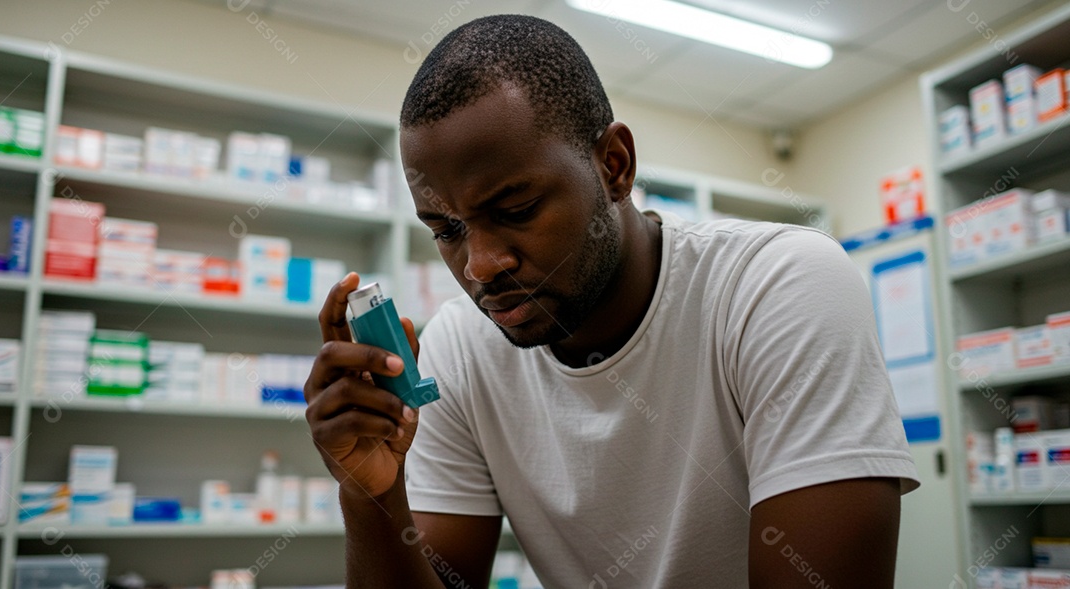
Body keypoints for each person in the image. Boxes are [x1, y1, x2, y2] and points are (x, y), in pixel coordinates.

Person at [305, 14, 920, 589]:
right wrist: (372, 495)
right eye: (446, 230)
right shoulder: (459, 349)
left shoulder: (776, 285)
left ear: (614, 165)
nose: (481, 265)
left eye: (515, 211)